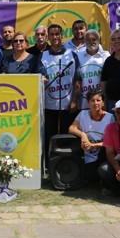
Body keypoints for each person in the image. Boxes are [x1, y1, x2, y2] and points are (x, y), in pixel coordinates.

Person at [40, 24, 81, 159]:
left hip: (68, 104)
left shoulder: (72, 55)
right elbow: (40, 73)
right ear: (48, 37)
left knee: (67, 135)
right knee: (49, 135)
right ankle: (50, 163)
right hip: (49, 104)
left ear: (62, 36)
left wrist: (74, 101)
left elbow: (77, 79)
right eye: (51, 34)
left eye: (57, 34)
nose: (55, 37)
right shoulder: (43, 55)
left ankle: (67, 163)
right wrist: (42, 77)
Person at [68, 89, 114, 185]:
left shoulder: (110, 118)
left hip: (102, 154)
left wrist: (93, 145)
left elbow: (111, 142)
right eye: (92, 100)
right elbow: (71, 128)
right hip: (86, 156)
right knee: (89, 176)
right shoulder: (83, 114)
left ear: (103, 103)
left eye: (98, 100)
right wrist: (83, 135)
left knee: (94, 174)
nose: (95, 103)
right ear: (88, 102)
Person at [76, 30, 109, 109]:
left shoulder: (106, 56)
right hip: (83, 103)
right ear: (84, 41)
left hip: (100, 103)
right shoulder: (78, 56)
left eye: (94, 39)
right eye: (88, 40)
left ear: (99, 41)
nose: (91, 42)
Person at [101, 29, 120, 110]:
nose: (116, 41)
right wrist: (104, 100)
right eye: (113, 39)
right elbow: (103, 82)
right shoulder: (108, 60)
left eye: (119, 38)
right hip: (111, 102)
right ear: (111, 43)